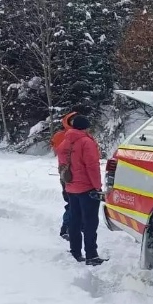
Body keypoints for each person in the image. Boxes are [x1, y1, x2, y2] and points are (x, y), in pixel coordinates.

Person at [60, 115, 104, 265]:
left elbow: (62, 164)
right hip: (87, 188)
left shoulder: (66, 141)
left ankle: (75, 252)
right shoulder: (86, 142)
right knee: (90, 222)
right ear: (85, 127)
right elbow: (92, 166)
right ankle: (91, 255)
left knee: (75, 220)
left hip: (71, 187)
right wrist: (97, 186)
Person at [51, 105, 92, 240]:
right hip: (69, 176)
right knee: (72, 204)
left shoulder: (72, 136)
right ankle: (67, 228)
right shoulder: (64, 137)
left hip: (72, 176)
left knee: (75, 204)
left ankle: (74, 226)